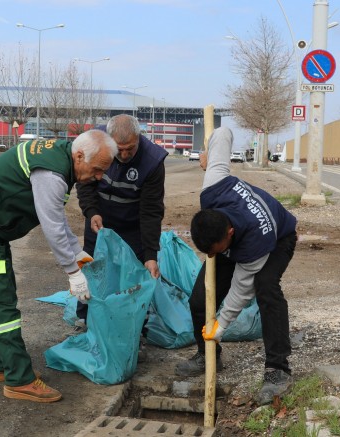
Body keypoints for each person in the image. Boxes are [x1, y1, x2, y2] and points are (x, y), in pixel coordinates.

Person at [0, 130, 117, 403]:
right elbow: (51, 225)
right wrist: (73, 272)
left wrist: (79, 254)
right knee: (1, 303)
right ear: (80, 155)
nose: (98, 177)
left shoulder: (62, 159)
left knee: (2, 295)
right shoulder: (52, 173)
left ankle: (1, 365)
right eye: (97, 170)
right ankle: (20, 380)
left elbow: (59, 220)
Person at [174, 127, 298, 406]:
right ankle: (208, 358)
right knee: (198, 299)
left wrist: (221, 326)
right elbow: (223, 132)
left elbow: (241, 291)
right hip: (234, 237)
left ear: (227, 235)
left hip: (278, 238)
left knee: (266, 288)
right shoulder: (213, 186)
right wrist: (207, 155)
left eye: (213, 252)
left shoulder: (254, 244)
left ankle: (278, 370)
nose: (209, 255)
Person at [74, 115, 167, 357]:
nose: (124, 155)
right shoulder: (96, 143)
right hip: (100, 222)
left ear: (139, 139)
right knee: (93, 269)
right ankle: (85, 321)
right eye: (119, 150)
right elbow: (84, 183)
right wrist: (91, 212)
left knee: (136, 276)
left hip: (133, 225)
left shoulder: (153, 161)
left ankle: (137, 332)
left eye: (130, 149)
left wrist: (150, 254)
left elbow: (151, 211)